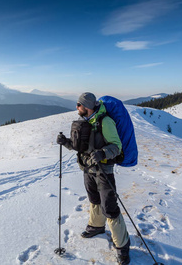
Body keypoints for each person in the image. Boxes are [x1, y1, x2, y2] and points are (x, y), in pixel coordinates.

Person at [57, 92, 131, 265]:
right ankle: (97, 226)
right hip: (88, 170)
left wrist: (102, 153)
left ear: (87, 107)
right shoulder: (87, 122)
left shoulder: (105, 122)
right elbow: (82, 147)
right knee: (94, 200)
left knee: (110, 208)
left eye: (79, 105)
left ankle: (122, 246)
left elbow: (117, 147)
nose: (77, 107)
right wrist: (65, 142)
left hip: (104, 171)